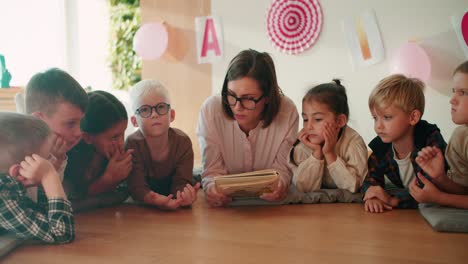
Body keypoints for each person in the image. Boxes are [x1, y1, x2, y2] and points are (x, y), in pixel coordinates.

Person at [197, 49, 299, 207]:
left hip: (271, 210)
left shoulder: (287, 112)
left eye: (248, 99)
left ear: (267, 98)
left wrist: (281, 185)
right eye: (231, 95)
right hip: (226, 212)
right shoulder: (211, 110)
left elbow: (283, 171)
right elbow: (212, 171)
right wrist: (211, 189)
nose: (237, 107)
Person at [362, 74, 447, 213]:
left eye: (387, 117)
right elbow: (370, 179)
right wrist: (372, 195)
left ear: (413, 117)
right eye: (375, 118)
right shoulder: (381, 146)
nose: (378, 126)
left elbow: (428, 190)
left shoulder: (430, 141)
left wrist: (392, 200)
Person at [0, 112, 74, 243]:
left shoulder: (11, 187)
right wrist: (49, 176)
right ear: (18, 172)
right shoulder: (2, 196)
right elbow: (61, 233)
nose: (53, 159)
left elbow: (44, 215)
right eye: (47, 158)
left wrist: (43, 181)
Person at [127, 80, 200, 210]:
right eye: (144, 110)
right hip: (145, 203)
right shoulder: (132, 145)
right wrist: (154, 199)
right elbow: (136, 187)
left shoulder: (182, 142)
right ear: (134, 121)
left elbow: (181, 181)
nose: (154, 114)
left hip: (171, 190)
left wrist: (183, 196)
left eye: (160, 107)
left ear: (171, 115)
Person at [289, 80, 368, 193]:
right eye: (305, 119)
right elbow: (304, 188)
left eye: (318, 119)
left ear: (340, 121)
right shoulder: (303, 145)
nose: (309, 126)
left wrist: (330, 153)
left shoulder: (353, 143)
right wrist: (316, 154)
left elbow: (354, 186)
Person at [24, 68, 88, 203]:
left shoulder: (57, 152)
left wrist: (58, 161)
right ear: (38, 121)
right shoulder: (18, 155)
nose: (79, 132)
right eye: (70, 124)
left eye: (80, 122)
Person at [410, 61, 468, 209]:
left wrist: (440, 198)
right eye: (454, 91)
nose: (452, 100)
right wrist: (440, 178)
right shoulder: (460, 137)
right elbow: (464, 191)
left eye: (462, 92)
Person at [64, 91, 132, 211]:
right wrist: (107, 180)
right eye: (114, 137)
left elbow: (123, 193)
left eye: (123, 133)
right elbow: (69, 203)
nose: (121, 143)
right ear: (87, 138)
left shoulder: (116, 156)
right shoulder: (68, 160)